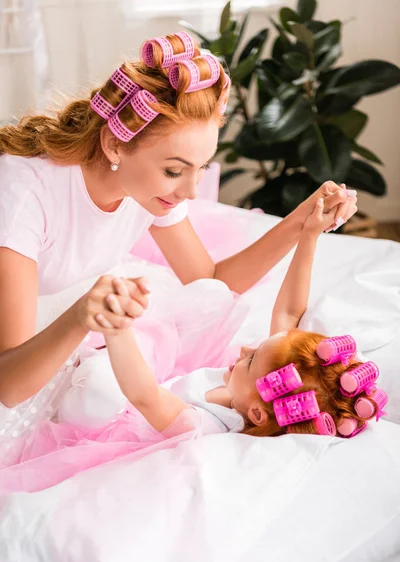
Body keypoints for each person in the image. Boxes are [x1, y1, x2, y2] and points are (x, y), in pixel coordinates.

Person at [0, 31, 358, 410]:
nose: (190, 192)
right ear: (115, 144)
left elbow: (210, 282)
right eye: (174, 171)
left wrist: (304, 219)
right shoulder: (26, 196)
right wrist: (79, 318)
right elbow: (8, 385)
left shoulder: (145, 189)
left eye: (201, 168)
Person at [0, 197, 385, 494]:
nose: (242, 351)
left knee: (98, 389)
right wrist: (309, 236)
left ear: (255, 413)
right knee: (210, 298)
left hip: (121, 407)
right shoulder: (253, 391)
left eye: (249, 363)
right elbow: (287, 316)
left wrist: (118, 329)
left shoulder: (203, 426)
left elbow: (145, 395)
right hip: (157, 373)